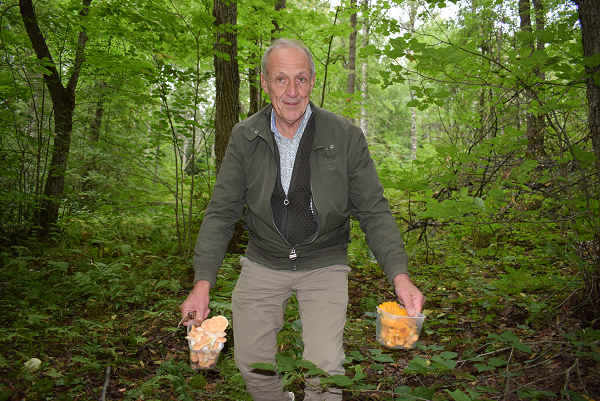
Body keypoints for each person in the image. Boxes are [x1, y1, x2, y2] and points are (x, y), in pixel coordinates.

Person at [180, 38, 424, 401]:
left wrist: (400, 276)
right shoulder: (245, 137)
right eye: (281, 79)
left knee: (325, 371)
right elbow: (221, 211)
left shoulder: (345, 137)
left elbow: (374, 210)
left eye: (301, 79)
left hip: (324, 261)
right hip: (264, 259)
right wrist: (202, 284)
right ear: (265, 83)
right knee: (252, 365)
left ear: (312, 81)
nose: (292, 91)